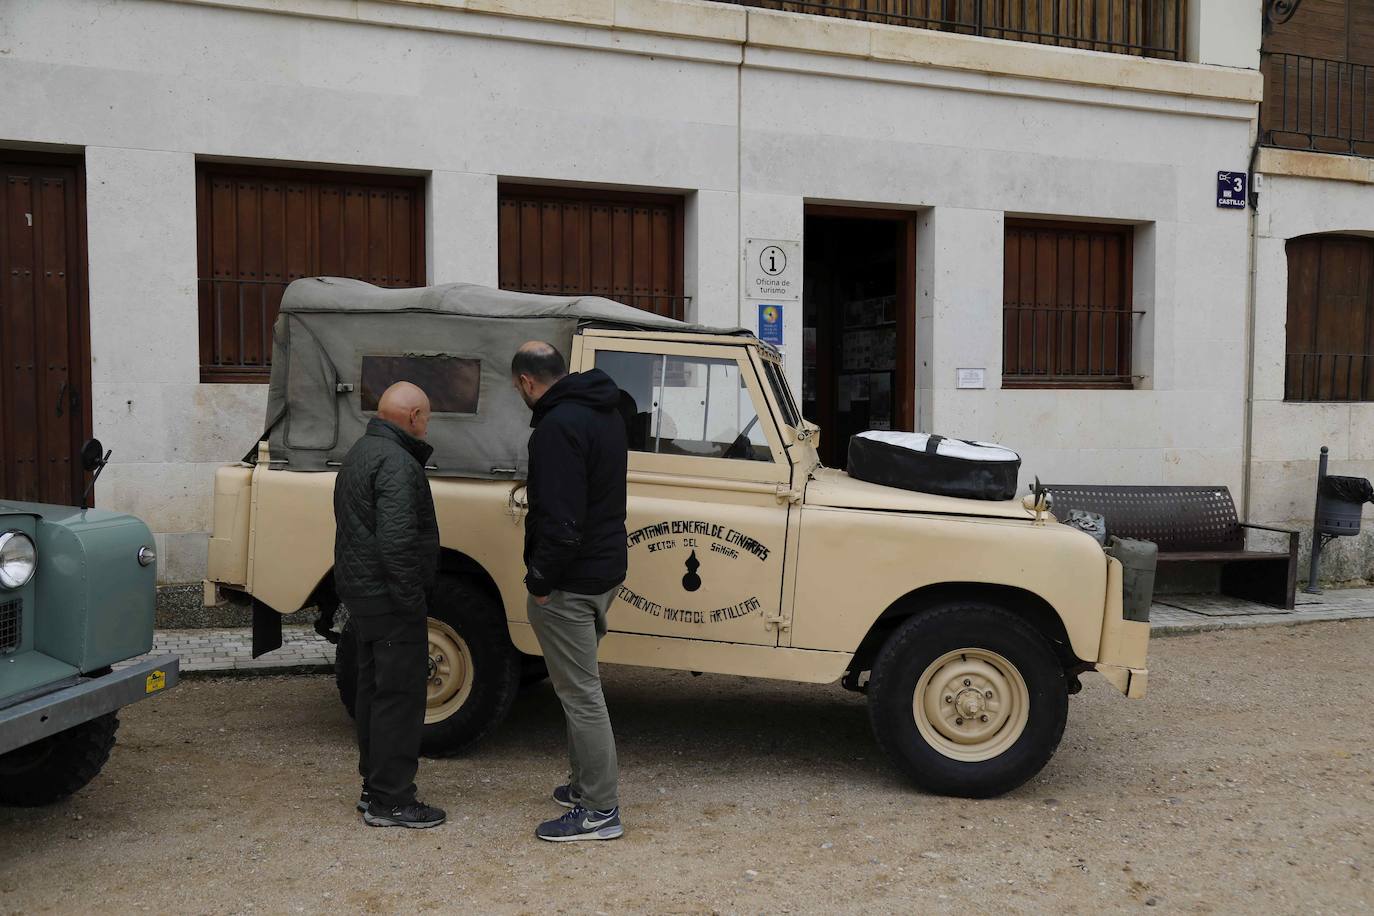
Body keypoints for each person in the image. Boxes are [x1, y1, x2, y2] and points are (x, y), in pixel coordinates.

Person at [512, 341, 629, 842]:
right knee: (578, 688)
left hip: (571, 580)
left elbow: (561, 522)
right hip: (603, 571)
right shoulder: (605, 411)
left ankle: (600, 811)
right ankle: (584, 788)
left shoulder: (557, 428)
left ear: (526, 383)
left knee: (581, 695)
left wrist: (540, 583)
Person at [332, 381, 446, 829]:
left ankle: (374, 788)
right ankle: (392, 800)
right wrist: (411, 600)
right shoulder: (398, 463)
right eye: (428, 417)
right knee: (399, 698)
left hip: (364, 594)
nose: (428, 425)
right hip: (389, 598)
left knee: (373, 692)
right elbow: (398, 542)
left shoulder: (362, 451)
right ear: (414, 416)